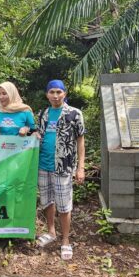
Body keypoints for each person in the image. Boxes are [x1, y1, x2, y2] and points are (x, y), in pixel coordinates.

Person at [35, 80, 86, 260]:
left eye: (58, 92)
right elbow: (38, 135)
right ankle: (51, 232)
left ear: (64, 93)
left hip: (63, 167)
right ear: (47, 94)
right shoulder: (42, 114)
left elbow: (80, 141)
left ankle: (65, 240)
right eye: (52, 92)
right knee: (47, 201)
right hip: (43, 165)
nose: (55, 96)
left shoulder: (74, 114)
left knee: (64, 205)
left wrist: (80, 167)